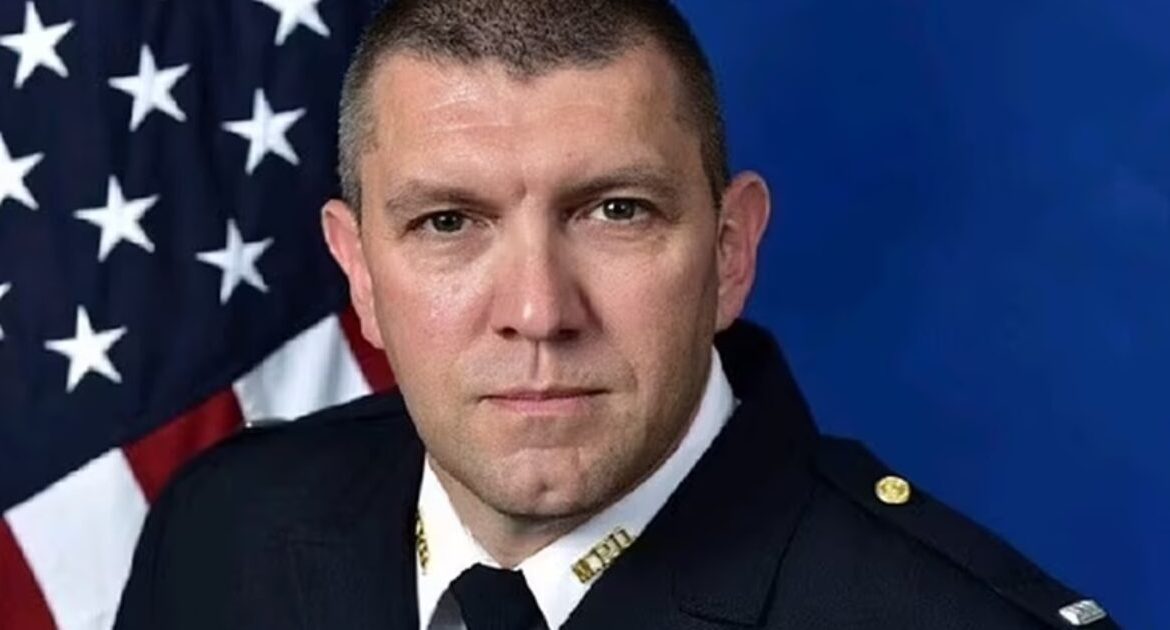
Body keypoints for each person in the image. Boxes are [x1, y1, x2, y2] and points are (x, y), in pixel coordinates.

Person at [114, 1, 1117, 628]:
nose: (538, 311)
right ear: (361, 275)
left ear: (730, 252)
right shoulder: (222, 534)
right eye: (448, 221)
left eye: (615, 212)